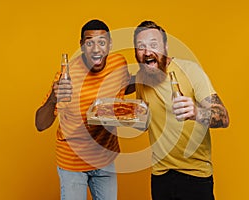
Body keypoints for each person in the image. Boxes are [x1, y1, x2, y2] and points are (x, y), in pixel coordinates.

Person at [133, 20, 229, 200]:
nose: (147, 52)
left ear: (166, 47)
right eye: (141, 47)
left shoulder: (190, 71)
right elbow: (144, 123)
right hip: (160, 175)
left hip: (196, 174)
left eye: (154, 45)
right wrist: (130, 118)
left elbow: (223, 117)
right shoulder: (141, 78)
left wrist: (197, 112)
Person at [35, 19, 131, 200]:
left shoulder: (118, 64)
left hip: (105, 158)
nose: (96, 49)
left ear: (110, 45)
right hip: (72, 161)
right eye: (89, 43)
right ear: (81, 45)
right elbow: (40, 124)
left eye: (102, 42)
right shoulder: (66, 77)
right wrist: (53, 98)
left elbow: (127, 84)